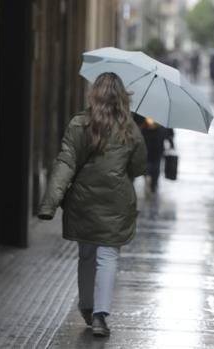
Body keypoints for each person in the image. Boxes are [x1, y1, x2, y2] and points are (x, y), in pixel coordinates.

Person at [38, 72, 147, 337]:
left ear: (94, 94)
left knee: (86, 255)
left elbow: (66, 162)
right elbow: (139, 165)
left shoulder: (79, 124)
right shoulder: (129, 128)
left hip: (82, 203)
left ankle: (87, 306)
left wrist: (49, 204)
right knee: (107, 256)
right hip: (115, 203)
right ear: (122, 97)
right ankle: (100, 314)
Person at [138, 117, 173, 194]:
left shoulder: (161, 128)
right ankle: (151, 182)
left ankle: (153, 184)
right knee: (150, 169)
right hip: (149, 153)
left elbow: (168, 135)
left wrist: (171, 144)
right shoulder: (143, 128)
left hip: (156, 153)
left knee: (155, 170)